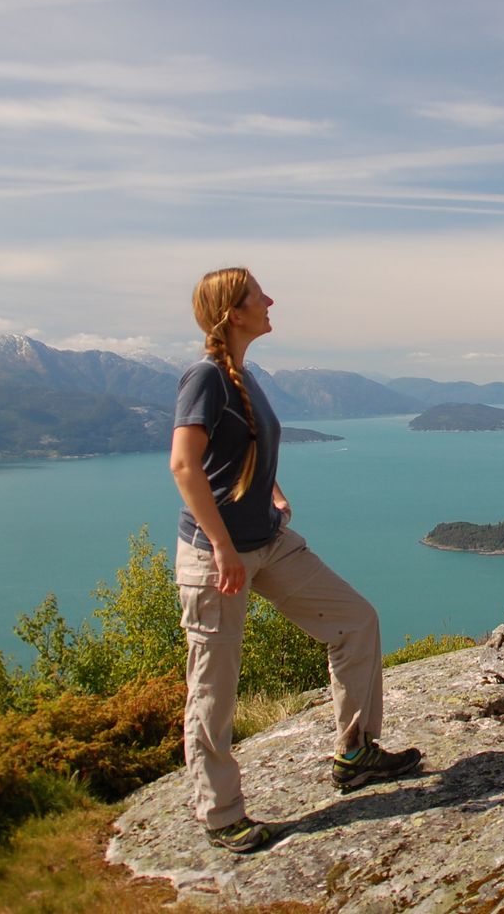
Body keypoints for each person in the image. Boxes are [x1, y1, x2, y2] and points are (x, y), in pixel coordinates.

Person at [169, 267, 421, 854]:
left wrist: (271, 489)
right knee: (214, 686)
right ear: (234, 312)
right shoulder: (204, 376)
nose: (271, 299)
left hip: (268, 541)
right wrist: (224, 548)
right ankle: (220, 813)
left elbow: (240, 451)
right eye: (260, 294)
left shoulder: (245, 376)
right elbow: (184, 466)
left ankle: (356, 753)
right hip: (218, 557)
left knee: (356, 620)